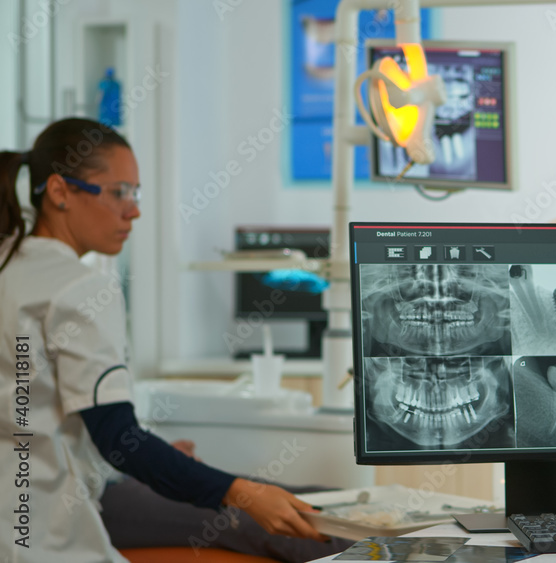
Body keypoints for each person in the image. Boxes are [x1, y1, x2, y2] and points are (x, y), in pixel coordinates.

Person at [0, 118, 348, 562]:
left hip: (17, 514)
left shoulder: (11, 266)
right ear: (59, 191)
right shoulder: (80, 287)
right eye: (118, 192)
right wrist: (242, 492)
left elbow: (31, 409)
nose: (134, 210)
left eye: (136, 193)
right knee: (326, 519)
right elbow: (116, 437)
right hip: (52, 524)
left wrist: (151, 452)